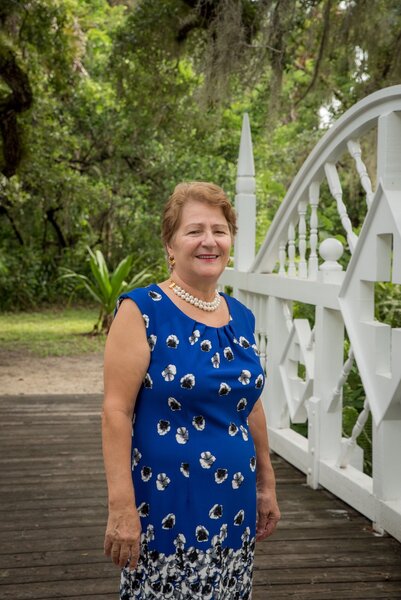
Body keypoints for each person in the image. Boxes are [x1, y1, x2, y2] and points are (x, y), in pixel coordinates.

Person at [102, 181, 280, 599]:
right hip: (166, 506)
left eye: (219, 231)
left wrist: (266, 483)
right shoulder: (141, 311)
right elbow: (114, 411)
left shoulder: (241, 316)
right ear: (170, 243)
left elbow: (248, 404)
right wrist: (121, 506)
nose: (209, 242)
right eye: (194, 230)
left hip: (233, 502)